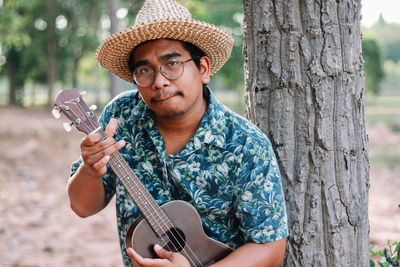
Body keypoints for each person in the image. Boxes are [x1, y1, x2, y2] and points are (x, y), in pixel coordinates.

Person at [67, 0, 289, 266]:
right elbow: (83, 207)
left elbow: (270, 246)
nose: (159, 80)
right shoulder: (122, 116)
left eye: (172, 64)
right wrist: (90, 169)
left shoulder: (245, 144)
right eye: (145, 70)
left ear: (203, 69)